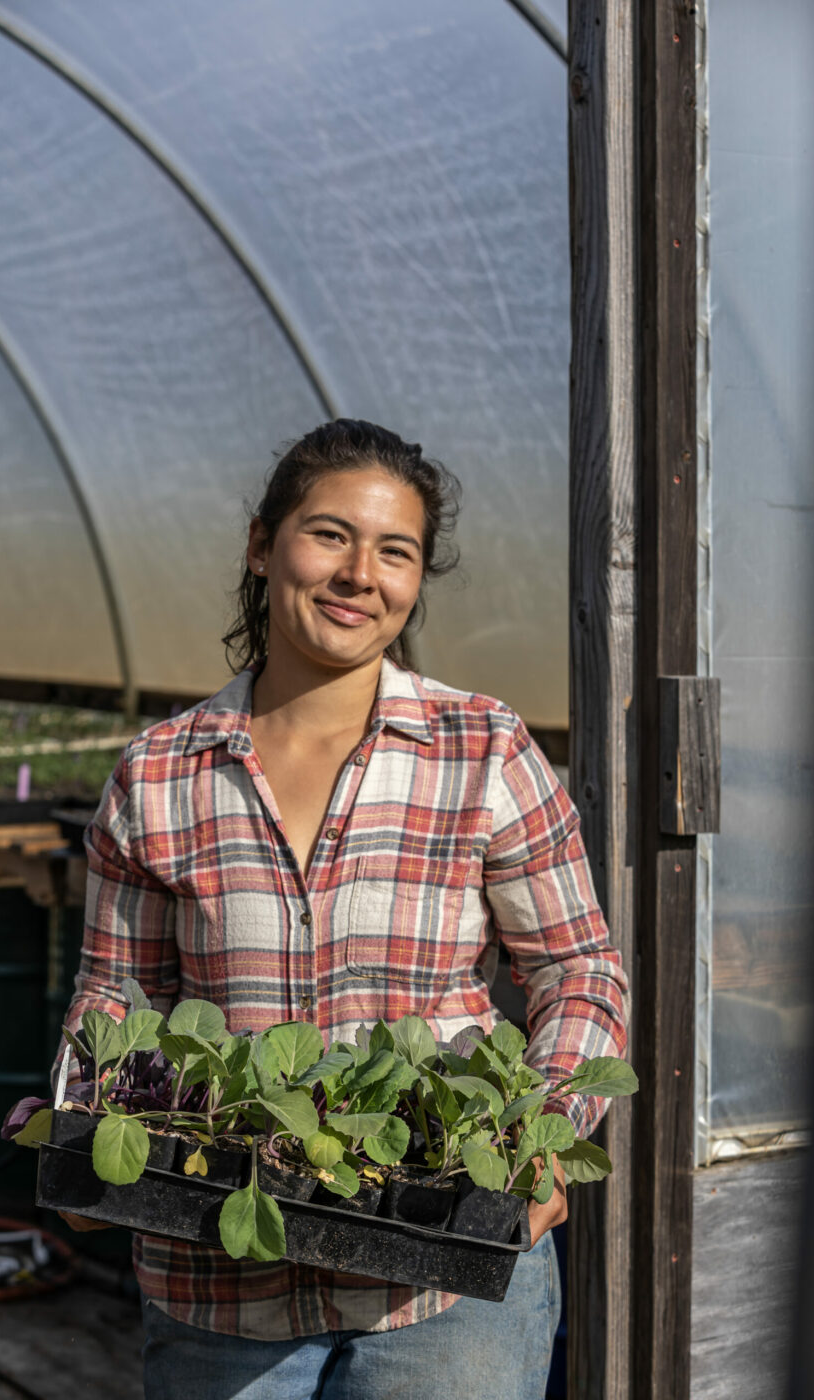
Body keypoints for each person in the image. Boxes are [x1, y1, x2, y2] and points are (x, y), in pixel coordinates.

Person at [58, 419, 629, 1400]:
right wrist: (82, 1130)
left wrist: (540, 1128)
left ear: (414, 579)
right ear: (261, 543)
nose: (359, 573)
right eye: (329, 534)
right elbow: (116, 1000)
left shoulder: (481, 748)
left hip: (442, 1283)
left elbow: (577, 969)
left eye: (393, 549)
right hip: (218, 1282)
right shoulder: (158, 774)